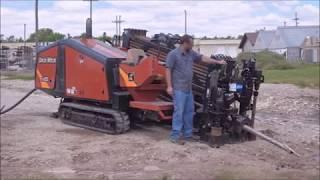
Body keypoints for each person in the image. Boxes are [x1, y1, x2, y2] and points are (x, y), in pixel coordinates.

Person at [165, 34, 226, 145]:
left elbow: (202, 58)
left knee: (189, 112)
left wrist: (217, 62)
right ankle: (175, 136)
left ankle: (188, 135)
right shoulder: (173, 54)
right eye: (191, 44)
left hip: (188, 89)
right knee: (179, 112)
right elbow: (168, 70)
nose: (192, 46)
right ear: (185, 43)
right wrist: (169, 86)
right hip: (178, 88)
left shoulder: (191, 53)